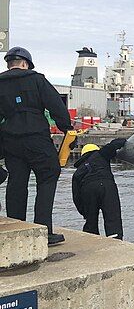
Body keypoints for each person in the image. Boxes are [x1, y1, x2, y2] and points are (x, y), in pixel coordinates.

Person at [0, 47, 72, 245]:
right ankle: (44, 230)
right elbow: (55, 104)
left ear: (9, 64)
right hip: (37, 139)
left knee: (16, 182)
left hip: (11, 141)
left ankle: (16, 230)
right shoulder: (37, 79)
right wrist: (66, 127)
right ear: (25, 64)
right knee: (49, 175)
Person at [72, 139, 127, 239]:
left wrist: (84, 212)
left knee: (91, 220)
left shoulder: (78, 171)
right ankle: (115, 238)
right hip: (106, 185)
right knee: (112, 215)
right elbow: (112, 145)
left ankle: (91, 238)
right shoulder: (101, 154)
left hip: (87, 189)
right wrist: (124, 140)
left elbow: (76, 196)